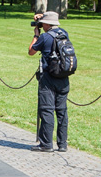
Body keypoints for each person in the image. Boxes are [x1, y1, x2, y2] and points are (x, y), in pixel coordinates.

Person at [28, 11, 72, 152]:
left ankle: (46, 144)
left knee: (46, 110)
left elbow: (31, 51)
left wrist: (36, 34)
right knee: (61, 111)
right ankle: (62, 144)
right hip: (63, 77)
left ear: (46, 24)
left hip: (49, 78)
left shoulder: (45, 37)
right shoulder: (64, 33)